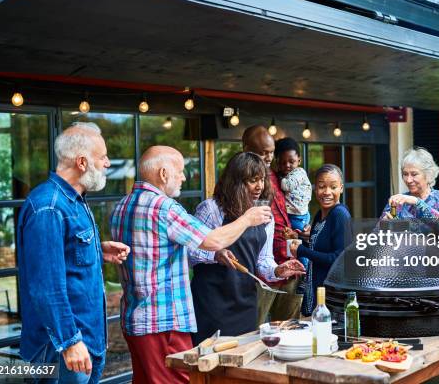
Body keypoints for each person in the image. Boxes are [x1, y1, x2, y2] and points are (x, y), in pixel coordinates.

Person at [109, 146, 272, 384]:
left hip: (134, 319)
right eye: (180, 171)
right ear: (164, 173)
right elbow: (212, 240)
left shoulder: (122, 206)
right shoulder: (164, 208)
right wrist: (247, 219)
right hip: (163, 323)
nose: (184, 177)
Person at [18, 122, 131, 383]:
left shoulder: (73, 200)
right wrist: (70, 342)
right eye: (102, 156)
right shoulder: (49, 207)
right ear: (82, 162)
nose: (107, 163)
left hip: (84, 343)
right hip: (60, 350)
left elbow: (61, 257)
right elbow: (46, 287)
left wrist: (96, 249)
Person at [192, 152, 305, 343]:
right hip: (212, 302)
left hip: (245, 302)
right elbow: (190, 251)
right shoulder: (211, 209)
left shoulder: (263, 214)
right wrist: (215, 254)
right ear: (235, 181)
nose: (259, 186)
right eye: (253, 180)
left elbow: (262, 260)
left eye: (262, 180)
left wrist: (277, 270)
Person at [241, 125, 304, 323]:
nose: (268, 157)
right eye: (263, 153)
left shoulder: (278, 175)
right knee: (253, 327)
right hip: (260, 267)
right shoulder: (239, 181)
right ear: (246, 149)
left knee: (289, 327)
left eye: (271, 153)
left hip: (286, 259)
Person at [289, 164, 352, 316]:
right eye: (322, 186)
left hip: (333, 294)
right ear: (315, 189)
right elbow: (318, 248)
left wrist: (302, 250)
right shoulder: (318, 215)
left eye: (333, 187)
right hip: (316, 287)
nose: (327, 192)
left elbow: (338, 258)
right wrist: (300, 238)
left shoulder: (340, 215)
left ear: (341, 188)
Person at [379, 148, 439, 233]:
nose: (408, 180)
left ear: (428, 174)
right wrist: (383, 228)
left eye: (414, 174)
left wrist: (417, 202)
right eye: (405, 174)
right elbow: (375, 240)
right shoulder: (397, 202)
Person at [275, 137, 312, 233]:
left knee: (299, 235)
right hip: (297, 213)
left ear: (299, 160)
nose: (287, 165)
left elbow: (287, 186)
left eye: (291, 161)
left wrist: (279, 177)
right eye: (283, 162)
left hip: (297, 216)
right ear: (277, 162)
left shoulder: (299, 173)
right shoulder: (286, 174)